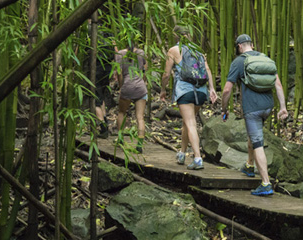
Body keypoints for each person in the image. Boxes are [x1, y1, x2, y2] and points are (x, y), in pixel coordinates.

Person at [221, 34, 288, 196]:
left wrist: (224, 108)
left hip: (252, 109)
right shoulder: (264, 58)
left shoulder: (239, 61)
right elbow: (277, 84)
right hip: (268, 106)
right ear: (251, 44)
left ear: (239, 47)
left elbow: (226, 90)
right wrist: (283, 107)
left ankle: (265, 183)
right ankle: (249, 165)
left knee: (258, 144)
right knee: (253, 135)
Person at [160, 25, 217, 170]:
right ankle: (182, 153)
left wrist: (162, 90)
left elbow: (166, 74)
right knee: (187, 122)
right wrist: (212, 89)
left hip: (185, 90)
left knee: (190, 123)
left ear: (175, 36)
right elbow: (208, 69)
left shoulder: (174, 50)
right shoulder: (197, 50)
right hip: (201, 91)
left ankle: (197, 158)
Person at [116, 42, 147, 153]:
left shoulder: (120, 54)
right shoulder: (141, 53)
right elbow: (144, 71)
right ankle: (139, 144)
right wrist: (142, 82)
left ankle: (120, 139)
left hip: (127, 85)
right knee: (140, 117)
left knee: (122, 113)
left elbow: (119, 73)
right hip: (140, 87)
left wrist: (121, 87)